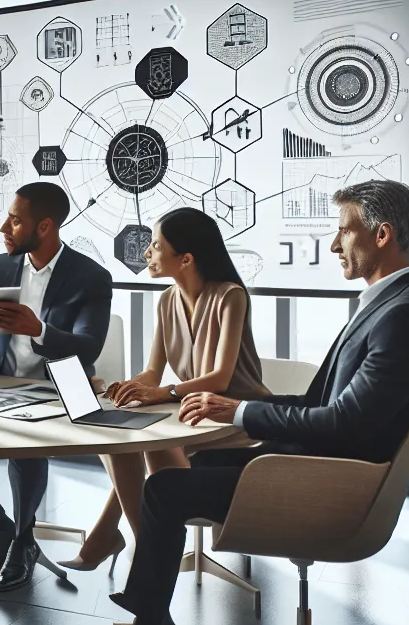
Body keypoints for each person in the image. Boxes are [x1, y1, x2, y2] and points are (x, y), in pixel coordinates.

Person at [67, 179, 409, 625]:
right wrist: (243, 410)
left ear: (381, 235)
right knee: (178, 473)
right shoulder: (390, 306)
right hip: (311, 462)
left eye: (343, 232)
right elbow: (323, 407)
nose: (335, 246)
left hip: (323, 482)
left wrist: (241, 410)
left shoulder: (404, 317)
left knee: (164, 490)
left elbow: (344, 423)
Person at [61, 207, 269, 571]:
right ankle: (140, 543)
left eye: (155, 246)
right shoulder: (167, 300)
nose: (146, 253)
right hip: (190, 416)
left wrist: (163, 393)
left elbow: (220, 378)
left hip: (234, 423)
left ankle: (130, 544)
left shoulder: (230, 296)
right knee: (118, 436)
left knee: (132, 444)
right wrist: (128, 387)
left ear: (185, 259)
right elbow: (154, 372)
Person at [0, 182, 113, 592]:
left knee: (26, 443)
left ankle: (20, 541)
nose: (4, 227)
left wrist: (40, 330)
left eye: (15, 220)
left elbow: (89, 347)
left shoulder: (91, 277)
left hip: (62, 387)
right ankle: (3, 526)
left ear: (45, 226)